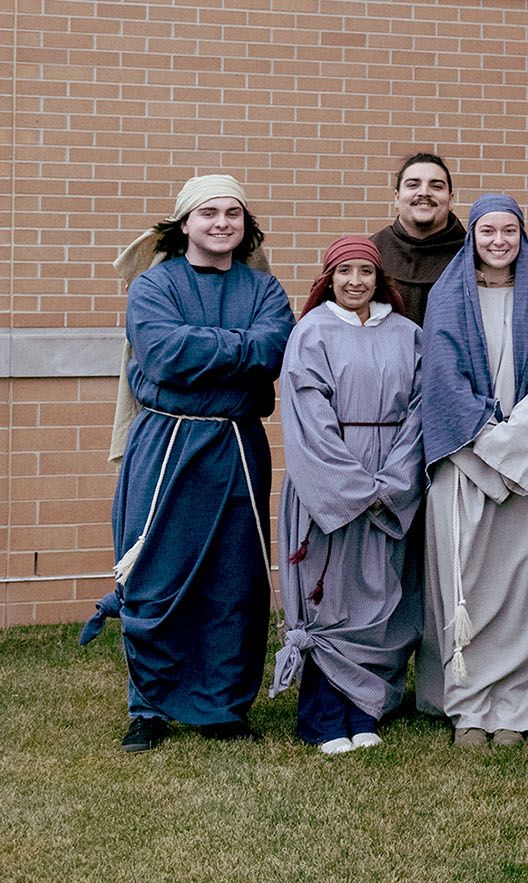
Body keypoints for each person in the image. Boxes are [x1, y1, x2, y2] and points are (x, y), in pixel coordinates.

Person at [85, 174, 295, 753]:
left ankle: (224, 705)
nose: (222, 223)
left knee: (234, 578)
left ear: (244, 225)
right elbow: (164, 354)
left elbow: (275, 348)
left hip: (235, 446)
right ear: (185, 224)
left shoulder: (264, 289)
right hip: (167, 443)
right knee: (157, 573)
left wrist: (208, 346)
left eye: (233, 213)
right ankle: (148, 706)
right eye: (209, 214)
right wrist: (237, 347)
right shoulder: (154, 287)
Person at [416, 194, 528, 747]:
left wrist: (514, 448)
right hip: (466, 464)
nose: (498, 241)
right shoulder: (446, 297)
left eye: (509, 231)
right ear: (474, 236)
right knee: (467, 585)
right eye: (488, 231)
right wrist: (488, 444)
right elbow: (440, 382)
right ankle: (469, 706)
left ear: (522, 236)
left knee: (524, 586)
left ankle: (516, 705)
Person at [267, 236, 425, 755]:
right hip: (328, 486)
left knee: (380, 595)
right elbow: (308, 419)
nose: (355, 281)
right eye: (344, 271)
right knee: (329, 596)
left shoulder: (409, 334)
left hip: (390, 482)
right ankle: (322, 718)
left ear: (381, 279)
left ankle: (365, 712)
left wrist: (394, 484)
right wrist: (354, 489)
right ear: (328, 278)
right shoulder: (310, 333)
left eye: (365, 271)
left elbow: (420, 414)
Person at [371, 152, 466, 326]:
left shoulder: (473, 255)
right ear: (397, 198)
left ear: (451, 200)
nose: (424, 192)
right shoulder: (371, 254)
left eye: (436, 186)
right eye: (413, 184)